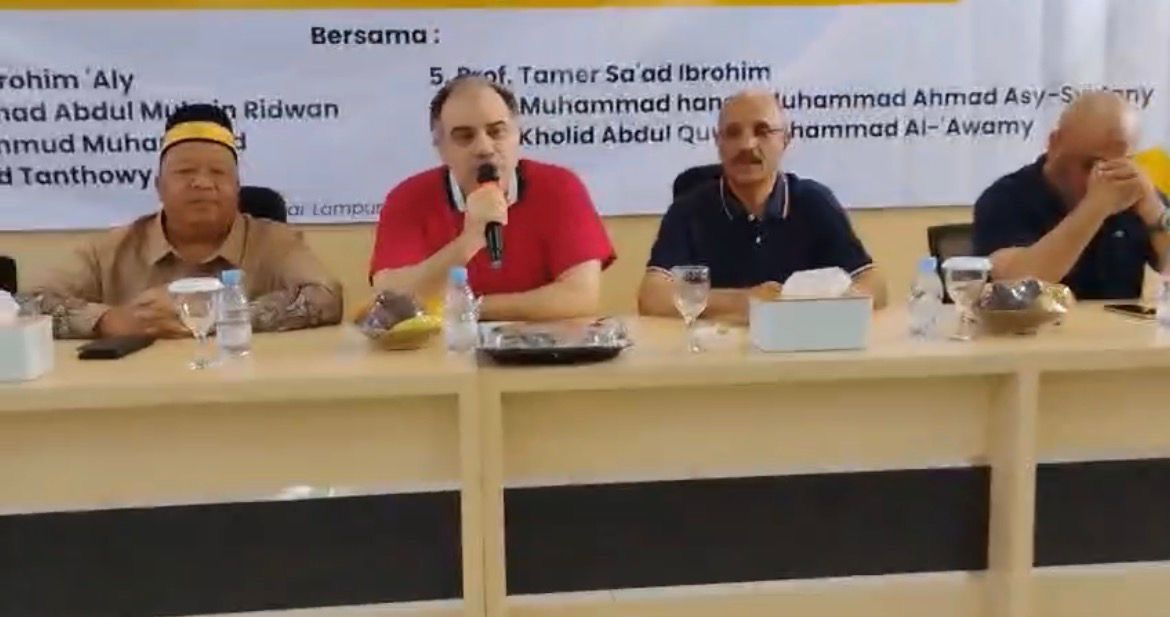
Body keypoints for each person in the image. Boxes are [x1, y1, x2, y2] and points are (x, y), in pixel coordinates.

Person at [30, 103, 343, 339]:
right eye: (185, 172)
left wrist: (219, 315)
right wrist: (108, 321)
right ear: (159, 187)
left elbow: (326, 297)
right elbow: (28, 303)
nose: (202, 183)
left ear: (237, 187)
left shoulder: (275, 242)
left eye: (218, 173)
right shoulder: (109, 249)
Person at [369, 75, 615, 321]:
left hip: (540, 343)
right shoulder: (407, 198)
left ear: (518, 135)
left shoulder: (560, 187)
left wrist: (468, 308)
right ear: (441, 147)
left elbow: (579, 297)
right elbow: (390, 299)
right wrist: (469, 241)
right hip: (445, 343)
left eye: (497, 132)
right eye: (465, 136)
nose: (484, 148)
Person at [637, 89, 887, 323]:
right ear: (718, 141)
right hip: (715, 350)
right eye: (733, 133)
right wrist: (746, 300)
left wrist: (812, 303)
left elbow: (874, 286)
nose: (747, 145)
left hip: (795, 346)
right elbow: (652, 297)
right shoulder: (688, 209)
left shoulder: (814, 203)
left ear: (785, 140)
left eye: (762, 131)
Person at [974, 91, 1170, 300]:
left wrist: (1156, 214)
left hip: (1115, 321)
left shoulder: (1130, 190)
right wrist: (1094, 209)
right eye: (1090, 164)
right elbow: (1015, 285)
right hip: (1040, 322)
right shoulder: (1007, 198)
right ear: (1054, 144)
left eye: (1121, 164)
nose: (1104, 177)